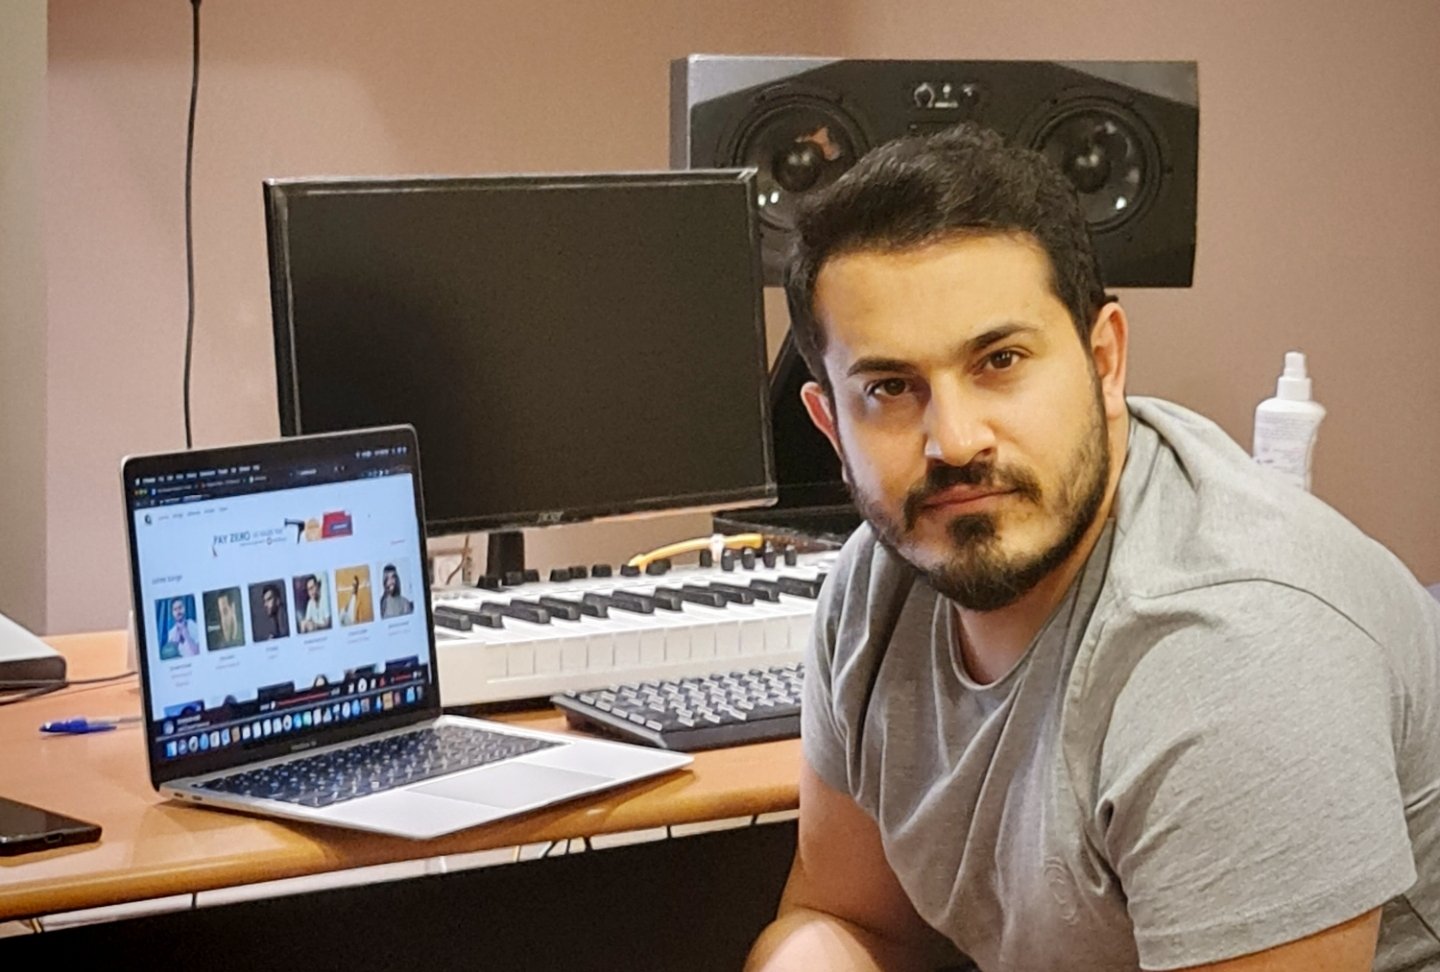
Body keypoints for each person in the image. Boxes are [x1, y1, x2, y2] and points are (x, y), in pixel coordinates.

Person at [745, 125, 1439, 972]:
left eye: (1000, 360)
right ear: (830, 425)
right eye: (889, 388)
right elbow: (846, 918)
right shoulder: (878, 585)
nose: (953, 441)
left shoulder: (1237, 649)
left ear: (1104, 360)